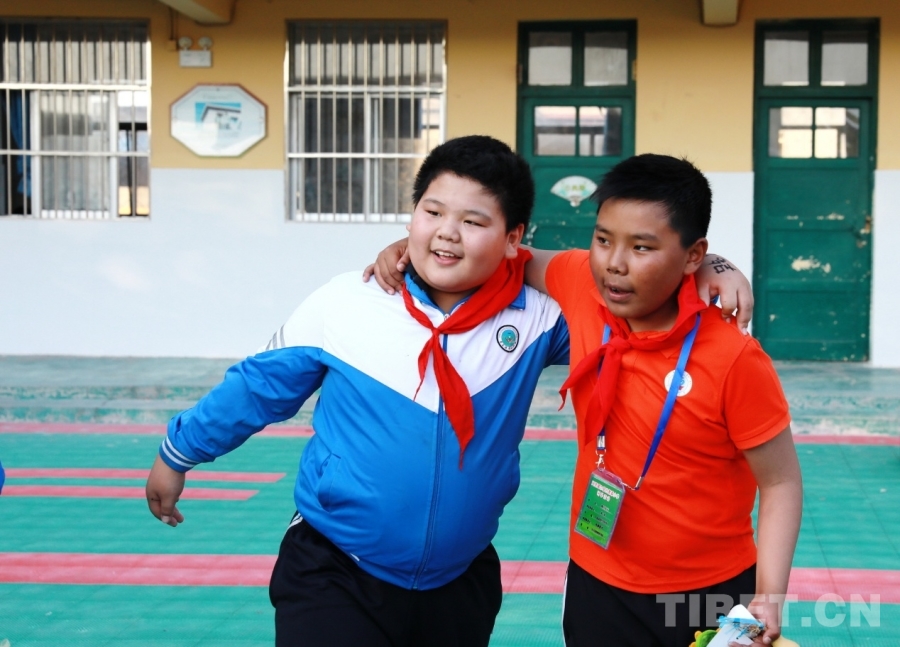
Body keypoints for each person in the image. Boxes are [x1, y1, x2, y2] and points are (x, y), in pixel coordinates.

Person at [145, 135, 573, 647]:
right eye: (432, 212)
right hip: (334, 568)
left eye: (474, 222)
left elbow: (620, 293)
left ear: (514, 236)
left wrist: (523, 261)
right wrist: (179, 451)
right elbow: (258, 388)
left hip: (460, 579)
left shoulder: (539, 319)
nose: (447, 232)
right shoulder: (348, 300)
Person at [366, 155, 800, 647]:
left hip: (710, 593)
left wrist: (769, 594)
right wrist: (411, 248)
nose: (615, 262)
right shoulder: (581, 283)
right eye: (603, 239)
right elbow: (504, 253)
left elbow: (781, 481)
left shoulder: (734, 358)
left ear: (692, 254)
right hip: (598, 583)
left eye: (642, 247)